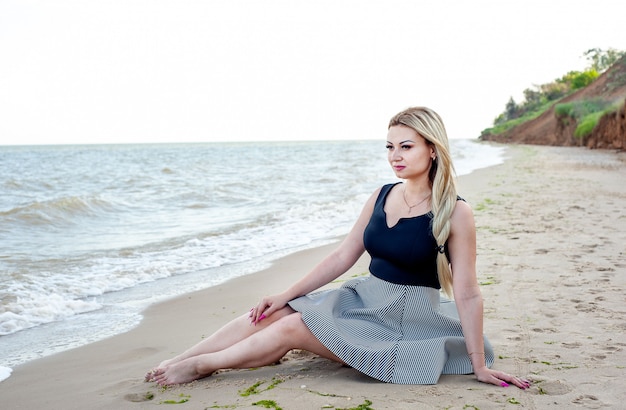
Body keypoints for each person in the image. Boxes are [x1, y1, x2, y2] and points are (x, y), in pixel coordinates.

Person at [145, 106, 530, 389]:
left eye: (406, 146)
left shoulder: (456, 212)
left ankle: (202, 367)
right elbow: (343, 256)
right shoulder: (381, 195)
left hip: (404, 317)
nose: (395, 155)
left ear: (432, 149)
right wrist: (285, 294)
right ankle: (182, 358)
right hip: (363, 298)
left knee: (295, 326)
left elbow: (467, 291)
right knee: (274, 312)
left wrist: (478, 365)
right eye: (389, 146)